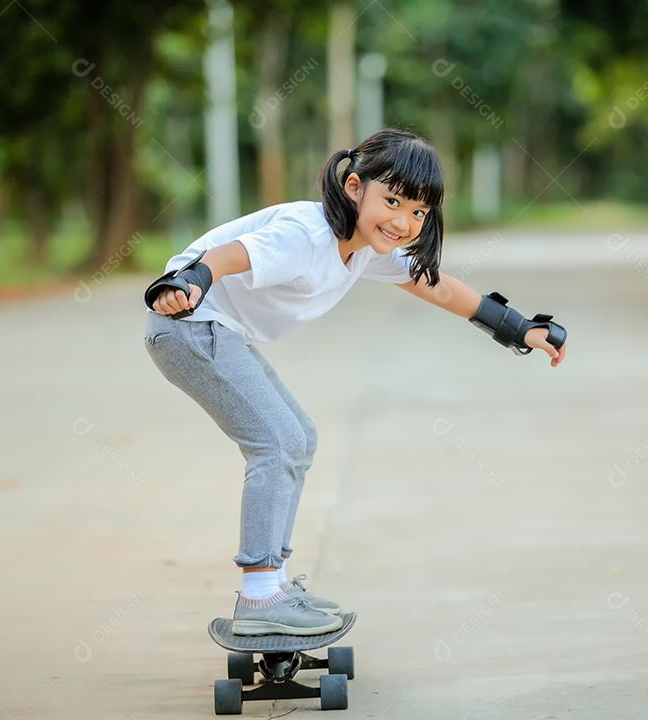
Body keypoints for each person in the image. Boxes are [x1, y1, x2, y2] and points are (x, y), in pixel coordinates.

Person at [142, 128, 567, 636]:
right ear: (352, 186)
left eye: (418, 212)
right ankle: (259, 597)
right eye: (392, 200)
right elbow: (229, 256)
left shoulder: (366, 246)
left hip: (218, 331)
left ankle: (273, 581)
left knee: (298, 438)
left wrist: (520, 328)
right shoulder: (307, 235)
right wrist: (187, 283)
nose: (403, 221)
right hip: (189, 324)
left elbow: (439, 287)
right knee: (276, 443)